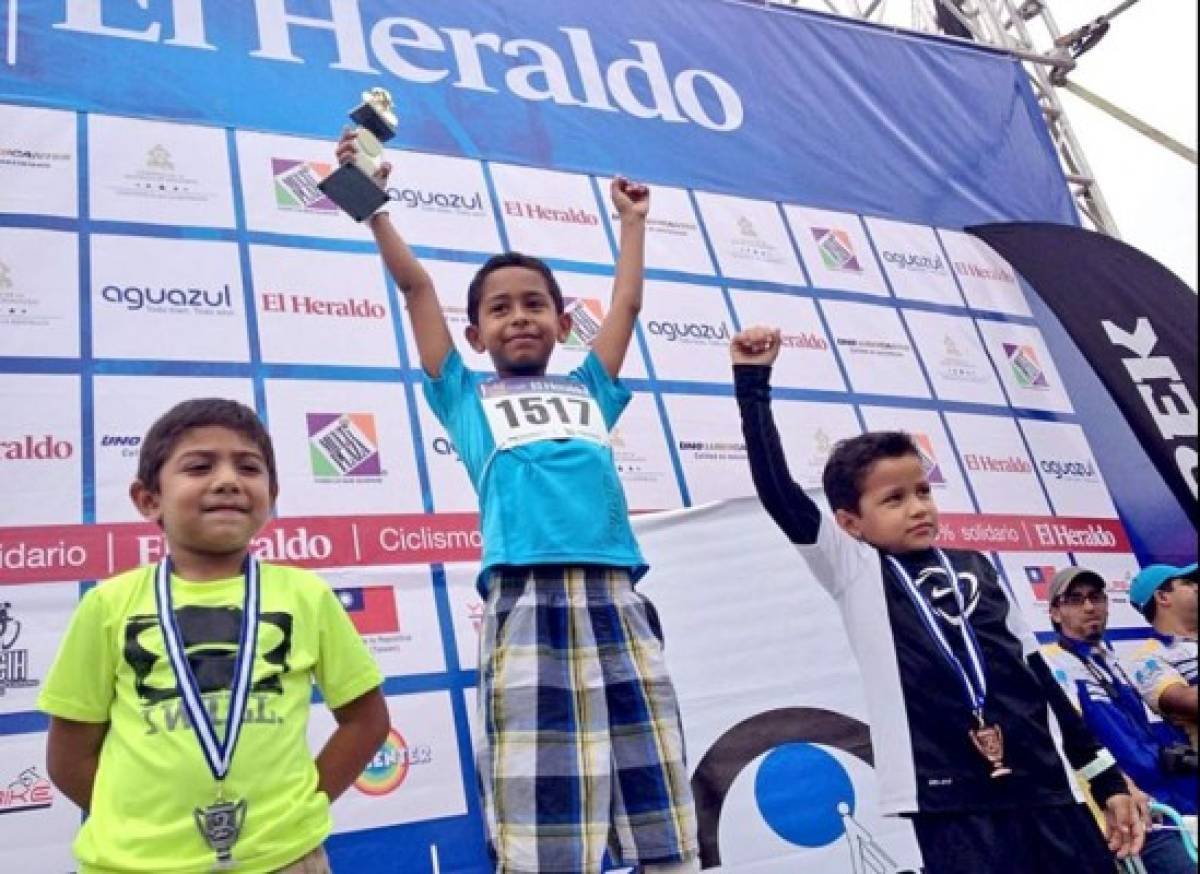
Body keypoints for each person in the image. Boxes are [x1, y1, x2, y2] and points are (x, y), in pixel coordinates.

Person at [337, 133, 698, 873]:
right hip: (523, 600)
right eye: (499, 309)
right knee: (541, 803)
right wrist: (367, 199)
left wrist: (632, 224)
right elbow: (415, 290)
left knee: (652, 778)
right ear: (476, 334)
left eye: (536, 304)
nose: (520, 317)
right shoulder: (465, 397)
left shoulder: (590, 389)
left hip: (616, 597)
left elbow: (626, 302)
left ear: (565, 325)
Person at [730, 324, 1143, 874]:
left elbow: (1039, 678)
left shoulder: (978, 568)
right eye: (894, 499)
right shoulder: (856, 568)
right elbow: (778, 491)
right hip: (951, 797)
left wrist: (1104, 777)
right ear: (850, 522)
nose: (918, 507)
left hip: (1045, 784)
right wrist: (753, 383)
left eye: (923, 491)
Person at [38, 399, 389, 873]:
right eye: (199, 466)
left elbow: (365, 721)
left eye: (248, 467)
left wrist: (298, 809)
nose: (227, 480)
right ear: (149, 499)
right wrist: (141, 826)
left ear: (272, 492)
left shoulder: (306, 596)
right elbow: (70, 755)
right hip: (134, 864)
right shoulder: (107, 605)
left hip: (285, 858)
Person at [1041, 566, 1196, 873]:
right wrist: (1118, 785)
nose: (1089, 607)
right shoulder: (1051, 662)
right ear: (1056, 613)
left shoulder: (1111, 661)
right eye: (1075, 599)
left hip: (1168, 802)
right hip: (1129, 815)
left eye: (1096, 597)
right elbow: (1072, 740)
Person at [1125, 563, 1198, 749]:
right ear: (1163, 597)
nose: (1197, 587)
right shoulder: (1145, 657)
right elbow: (1190, 700)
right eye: (1189, 583)